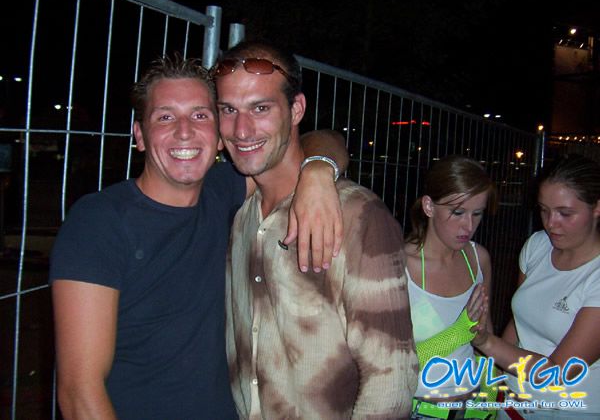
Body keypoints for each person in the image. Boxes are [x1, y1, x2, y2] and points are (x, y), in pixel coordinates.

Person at [49, 54, 348, 420]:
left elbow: (323, 140)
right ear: (139, 135)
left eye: (200, 115)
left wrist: (318, 171)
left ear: (220, 136)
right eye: (165, 117)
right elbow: (79, 393)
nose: (184, 131)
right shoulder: (99, 222)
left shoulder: (223, 191)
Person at [213, 38, 418, 419]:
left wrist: (321, 166)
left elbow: (391, 383)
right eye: (228, 109)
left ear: (296, 109)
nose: (241, 129)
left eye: (260, 108)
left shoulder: (357, 215)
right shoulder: (239, 216)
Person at [472, 154, 600, 419]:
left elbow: (559, 372)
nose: (550, 223)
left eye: (565, 213)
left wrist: (486, 342)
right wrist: (497, 378)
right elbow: (519, 320)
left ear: (597, 208)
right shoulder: (537, 245)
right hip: (513, 401)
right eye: (544, 210)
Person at [404, 154, 496, 420]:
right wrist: (458, 333)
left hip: (471, 409)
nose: (469, 226)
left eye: (477, 214)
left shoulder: (478, 258)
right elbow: (386, 361)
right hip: (419, 410)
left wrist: (489, 398)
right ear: (429, 206)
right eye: (458, 212)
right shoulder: (398, 265)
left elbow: (485, 337)